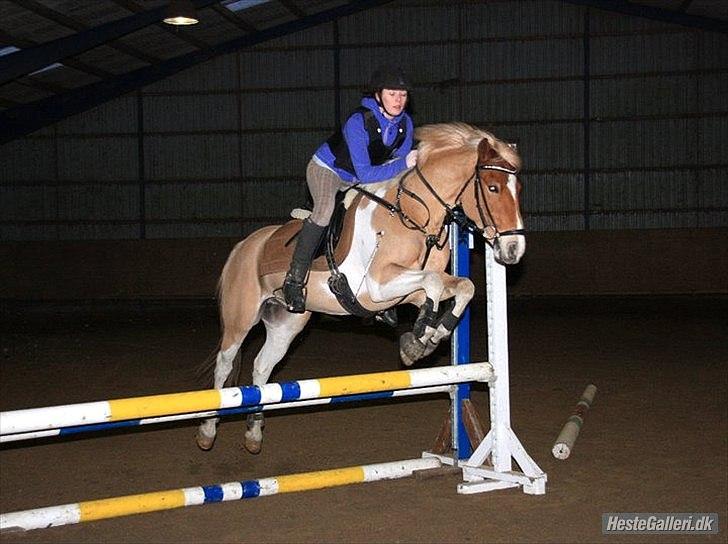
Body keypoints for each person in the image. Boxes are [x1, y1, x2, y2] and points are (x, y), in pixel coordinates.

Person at [282, 66, 418, 313]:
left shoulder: (405, 125)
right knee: (324, 211)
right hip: (329, 171)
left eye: (403, 95)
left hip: (359, 177)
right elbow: (369, 171)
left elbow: (394, 168)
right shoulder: (359, 121)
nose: (398, 100)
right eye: (392, 94)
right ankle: (294, 277)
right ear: (378, 95)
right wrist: (405, 163)